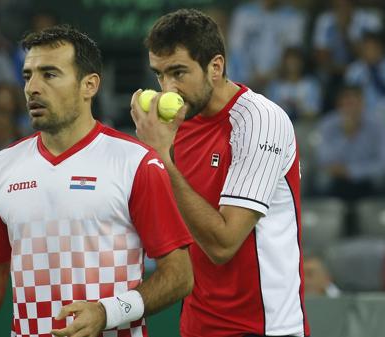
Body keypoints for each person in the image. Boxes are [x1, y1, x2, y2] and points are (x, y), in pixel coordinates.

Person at [0, 25, 194, 337]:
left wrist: (106, 313)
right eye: (28, 76)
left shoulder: (136, 162)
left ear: (89, 85)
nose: (32, 88)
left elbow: (179, 275)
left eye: (49, 74)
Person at [131, 9, 310, 337]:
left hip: (264, 329)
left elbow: (223, 244)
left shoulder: (260, 121)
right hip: (196, 327)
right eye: (159, 75)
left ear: (215, 67)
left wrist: (160, 157)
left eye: (179, 72)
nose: (168, 88)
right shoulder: (174, 127)